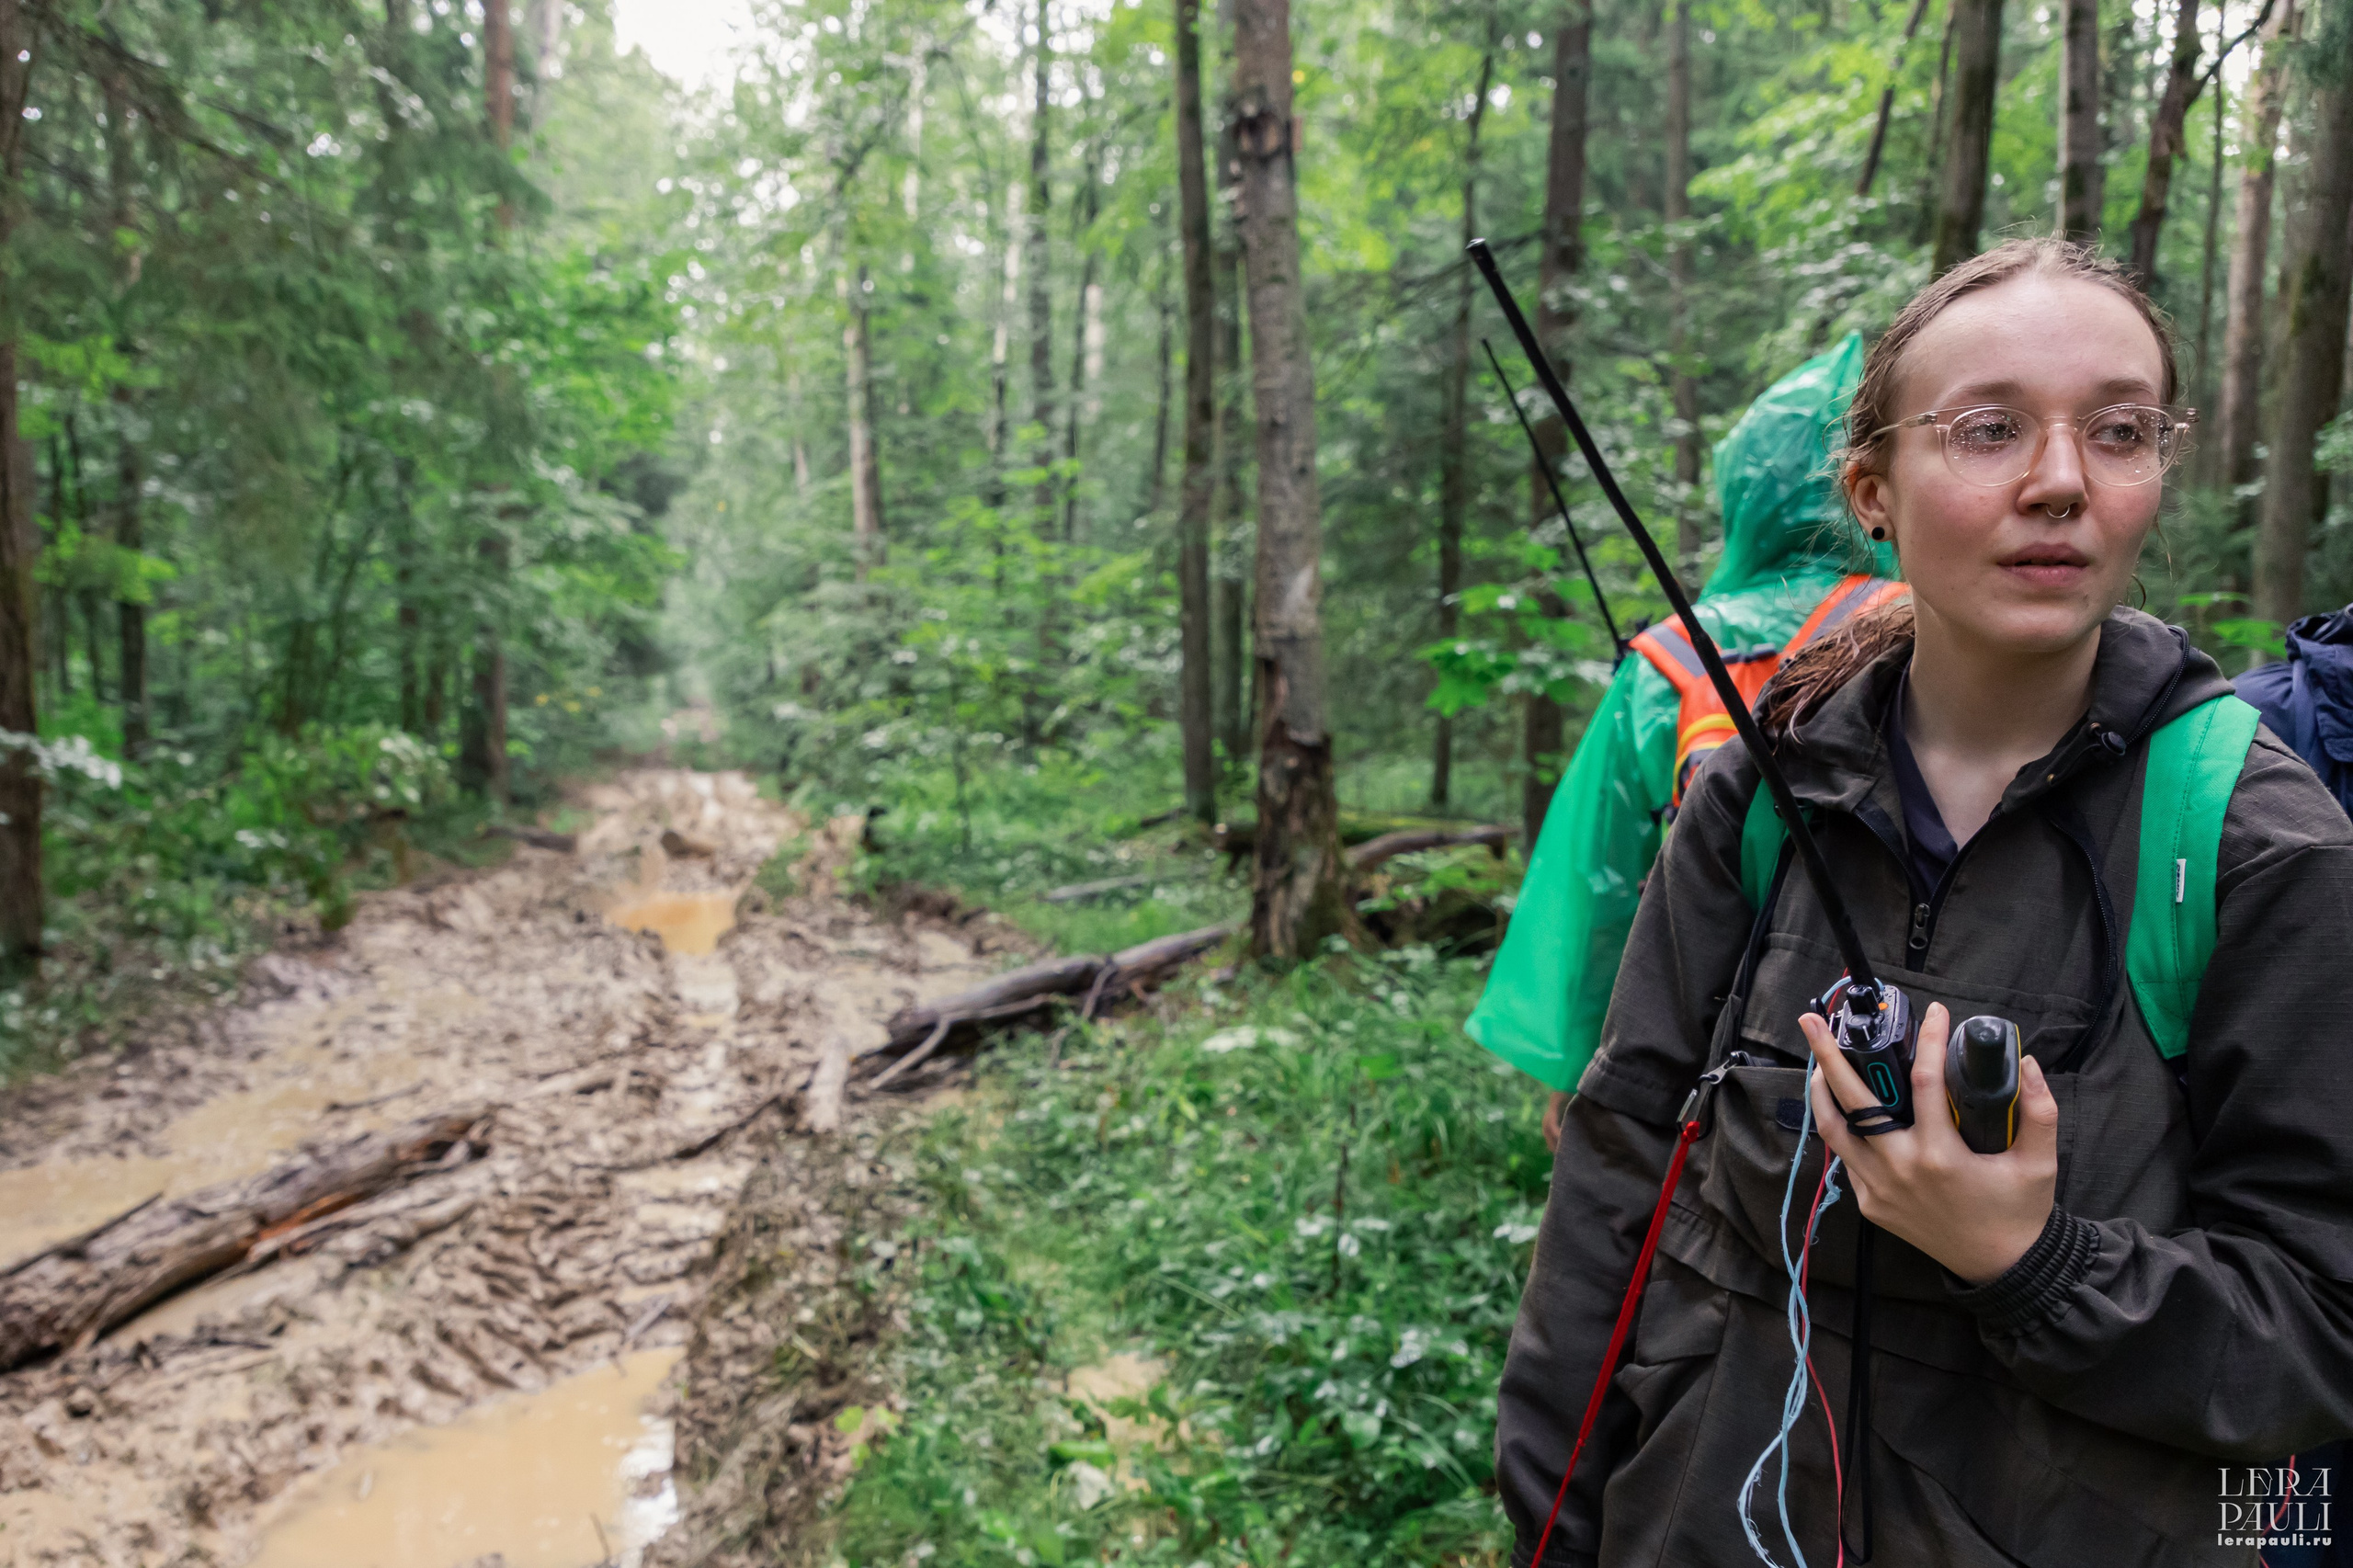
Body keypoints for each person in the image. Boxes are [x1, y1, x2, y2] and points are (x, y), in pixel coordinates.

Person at [1495, 239, 2353, 1565]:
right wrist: (1552, 1522)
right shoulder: (1759, 800)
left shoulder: (2251, 841)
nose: (2060, 482)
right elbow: (1617, 1181)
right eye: (1990, 429)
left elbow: (2319, 1332)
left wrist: (2035, 1259)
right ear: (1873, 492)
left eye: (2118, 431)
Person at [1469, 335, 1901, 1151]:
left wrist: (1578, 1072)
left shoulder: (1670, 660)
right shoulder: (1931, 627)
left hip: (1691, 1033)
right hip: (1892, 1038)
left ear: (1740, 491)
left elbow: (1598, 885)